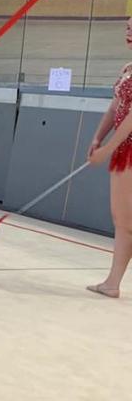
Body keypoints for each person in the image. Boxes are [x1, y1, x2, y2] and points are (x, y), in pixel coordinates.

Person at [86, 17, 132, 299]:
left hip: (128, 149)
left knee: (125, 220)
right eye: (127, 25)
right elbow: (115, 106)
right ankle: (112, 282)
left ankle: (113, 283)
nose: (128, 29)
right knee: (123, 219)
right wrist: (97, 138)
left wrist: (108, 149)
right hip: (121, 148)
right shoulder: (127, 69)